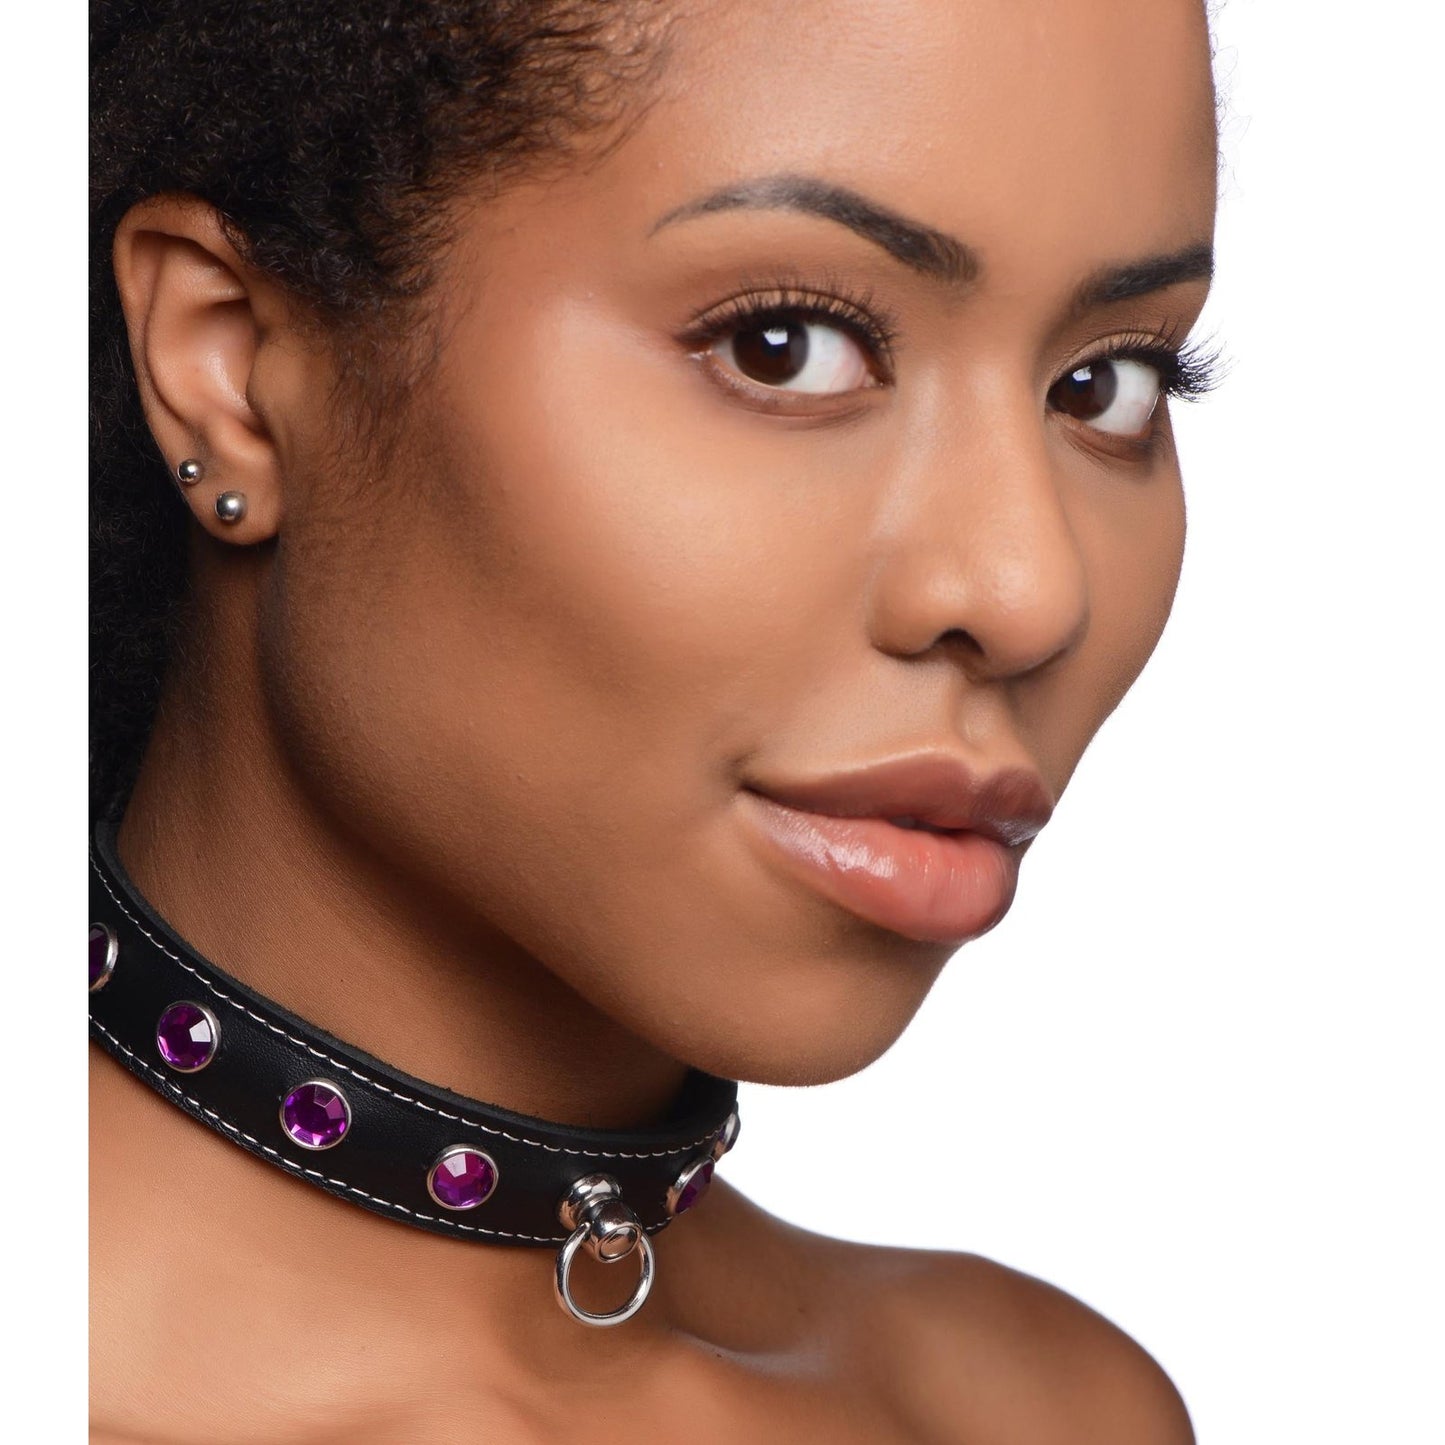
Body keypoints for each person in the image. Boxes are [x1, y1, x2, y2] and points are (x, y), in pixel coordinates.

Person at [89, 0, 1217, 1438]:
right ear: (231, 369)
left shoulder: (1040, 1413)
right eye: (783, 346)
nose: (1028, 588)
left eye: (1105, 385)